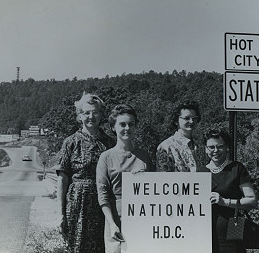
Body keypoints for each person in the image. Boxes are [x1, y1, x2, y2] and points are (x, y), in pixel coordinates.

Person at [56, 93, 115, 253]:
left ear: (101, 114)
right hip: (77, 205)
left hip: (103, 205)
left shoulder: (110, 143)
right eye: (86, 112)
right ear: (79, 116)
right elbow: (62, 181)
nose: (91, 116)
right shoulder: (70, 142)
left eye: (95, 112)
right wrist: (60, 214)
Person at [96, 104, 154, 253]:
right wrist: (112, 224)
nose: (127, 128)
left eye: (131, 124)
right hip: (115, 221)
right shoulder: (106, 157)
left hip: (141, 220)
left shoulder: (144, 156)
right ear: (113, 127)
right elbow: (103, 196)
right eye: (122, 124)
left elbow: (154, 192)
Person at [198, 128, 258, 253]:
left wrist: (225, 202)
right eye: (211, 147)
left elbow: (252, 201)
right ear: (205, 148)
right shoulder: (199, 172)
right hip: (204, 235)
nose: (215, 151)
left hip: (232, 233)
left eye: (220, 147)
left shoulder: (237, 168)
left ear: (227, 148)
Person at [156, 100, 208, 172]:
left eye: (194, 118)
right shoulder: (166, 147)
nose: (191, 121)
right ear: (175, 121)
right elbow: (163, 179)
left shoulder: (201, 147)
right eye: (187, 118)